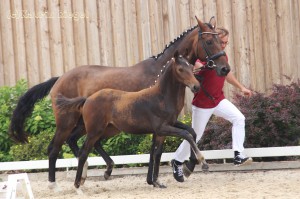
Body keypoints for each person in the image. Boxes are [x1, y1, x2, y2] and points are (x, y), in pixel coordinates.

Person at [171, 27, 253, 182]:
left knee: (239, 118)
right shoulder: (201, 56)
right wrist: (204, 66)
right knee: (196, 136)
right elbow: (196, 68)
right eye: (221, 42)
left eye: (226, 43)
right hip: (203, 103)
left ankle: (238, 155)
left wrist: (241, 87)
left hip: (218, 100)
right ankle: (176, 160)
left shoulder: (222, 56)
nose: (223, 46)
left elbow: (227, 74)